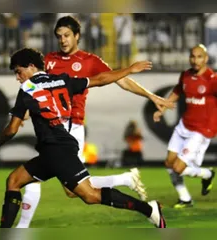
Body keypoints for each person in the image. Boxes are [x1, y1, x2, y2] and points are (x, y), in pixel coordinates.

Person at [16, 15, 174, 228]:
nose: (63, 40)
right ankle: (128, 182)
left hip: (71, 127)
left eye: (67, 35)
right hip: (51, 126)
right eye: (59, 36)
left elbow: (122, 80)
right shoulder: (49, 60)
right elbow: (38, 93)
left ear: (77, 36)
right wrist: (26, 113)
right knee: (59, 185)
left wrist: (152, 96)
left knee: (66, 187)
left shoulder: (89, 61)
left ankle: (128, 185)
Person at [153, 44, 216, 208]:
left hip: (200, 131)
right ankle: (185, 199)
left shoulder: (212, 79)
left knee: (178, 168)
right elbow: (177, 91)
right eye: (193, 56)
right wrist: (162, 109)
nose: (195, 60)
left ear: (206, 59)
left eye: (199, 57)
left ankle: (207, 174)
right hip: (184, 126)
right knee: (169, 163)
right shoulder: (186, 75)